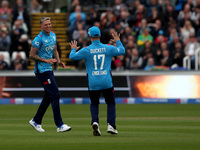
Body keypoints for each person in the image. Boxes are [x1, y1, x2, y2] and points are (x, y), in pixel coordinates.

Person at [69, 26, 125, 136]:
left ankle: (95, 122)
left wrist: (73, 49)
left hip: (93, 82)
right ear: (99, 36)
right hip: (106, 81)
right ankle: (111, 125)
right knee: (110, 102)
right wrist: (118, 41)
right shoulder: (108, 48)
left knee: (94, 103)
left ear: (89, 36)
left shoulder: (86, 50)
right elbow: (122, 51)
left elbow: (72, 57)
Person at [29, 17, 71, 132]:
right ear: (41, 26)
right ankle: (59, 125)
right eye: (46, 24)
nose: (48, 26)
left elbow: (55, 50)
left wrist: (58, 60)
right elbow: (31, 55)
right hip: (42, 71)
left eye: (49, 24)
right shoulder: (38, 39)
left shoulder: (53, 35)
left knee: (49, 95)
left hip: (49, 69)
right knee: (56, 94)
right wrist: (45, 60)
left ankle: (36, 120)